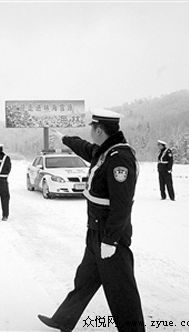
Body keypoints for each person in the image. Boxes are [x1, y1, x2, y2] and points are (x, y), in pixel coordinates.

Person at [38, 109, 145, 332]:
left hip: (109, 235)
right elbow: (85, 148)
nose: (90, 132)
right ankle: (63, 320)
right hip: (96, 231)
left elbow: (122, 205)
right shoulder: (105, 151)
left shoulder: (120, 158)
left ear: (99, 129)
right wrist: (65, 139)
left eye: (92, 128)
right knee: (85, 281)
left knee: (122, 291)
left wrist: (111, 240)